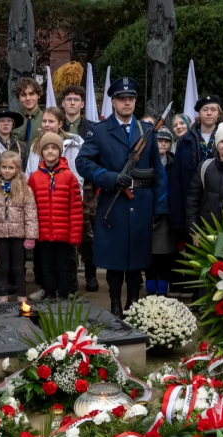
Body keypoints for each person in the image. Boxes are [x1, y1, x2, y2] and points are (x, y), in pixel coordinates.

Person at [77, 77, 166, 317]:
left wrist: (160, 206)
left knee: (137, 259)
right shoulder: (99, 131)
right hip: (113, 201)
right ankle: (115, 303)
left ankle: (133, 304)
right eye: (121, 99)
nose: (127, 103)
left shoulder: (146, 130)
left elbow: (158, 171)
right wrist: (109, 177)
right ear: (113, 102)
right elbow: (82, 162)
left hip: (142, 202)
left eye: (131, 99)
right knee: (116, 259)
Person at [28, 132, 83, 300]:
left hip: (63, 235)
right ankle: (50, 295)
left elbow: (76, 208)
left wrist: (75, 235)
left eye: (54, 148)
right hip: (43, 234)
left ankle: (64, 296)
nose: (50, 151)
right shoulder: (35, 178)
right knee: (46, 266)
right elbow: (30, 208)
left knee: (64, 266)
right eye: (46, 148)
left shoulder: (69, 177)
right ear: (41, 152)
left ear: (60, 151)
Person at [0, 151, 38, 301]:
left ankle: (21, 296)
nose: (7, 171)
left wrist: (31, 236)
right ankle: (2, 297)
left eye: (11, 168)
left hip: (18, 235)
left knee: (19, 268)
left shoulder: (25, 189)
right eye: (4, 167)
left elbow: (31, 213)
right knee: (2, 267)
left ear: (17, 169)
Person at [169, 95, 222, 242]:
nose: (209, 113)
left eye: (213, 109)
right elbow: (176, 179)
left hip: (218, 204)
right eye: (205, 109)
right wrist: (177, 218)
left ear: (218, 112)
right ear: (199, 113)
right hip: (191, 205)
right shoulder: (185, 141)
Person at [62, 84, 99, 292]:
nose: (72, 102)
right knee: (66, 230)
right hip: (61, 185)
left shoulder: (92, 128)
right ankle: (69, 275)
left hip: (87, 187)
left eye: (76, 99)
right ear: (63, 103)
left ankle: (91, 274)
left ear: (83, 104)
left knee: (87, 231)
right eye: (69, 99)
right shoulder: (57, 126)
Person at [147, 127, 177, 297]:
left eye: (166, 141)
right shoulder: (146, 162)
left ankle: (162, 290)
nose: (163, 144)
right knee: (150, 255)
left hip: (167, 217)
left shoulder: (174, 164)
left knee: (165, 256)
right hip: (149, 215)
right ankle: (151, 290)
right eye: (159, 140)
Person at [14, 76, 44, 147]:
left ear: (38, 95)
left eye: (31, 94)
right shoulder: (13, 119)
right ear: (19, 98)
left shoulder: (46, 119)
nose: (28, 98)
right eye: (23, 95)